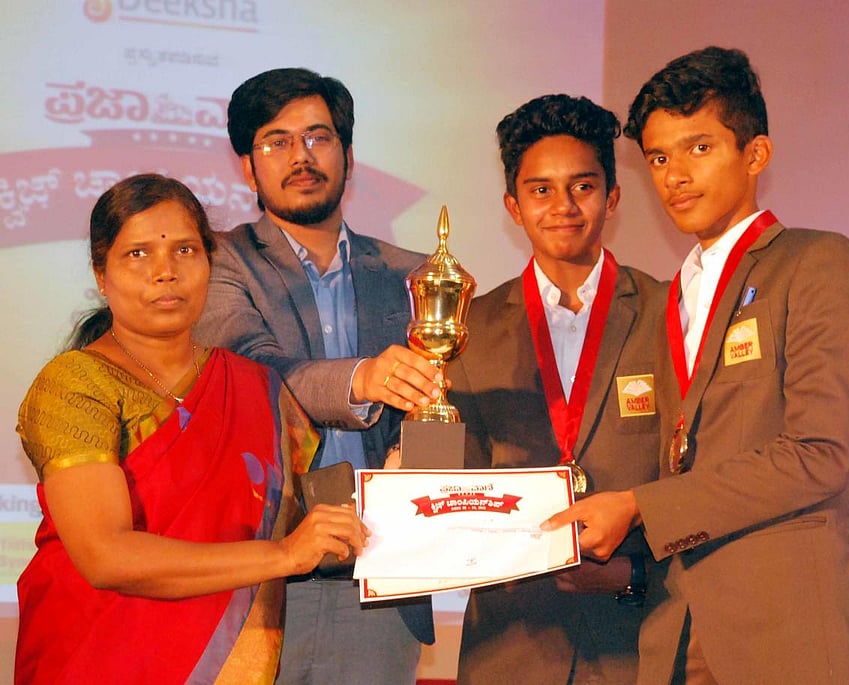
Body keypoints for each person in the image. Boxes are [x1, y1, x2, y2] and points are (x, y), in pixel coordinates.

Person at [543, 47, 849, 684]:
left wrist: (640, 506)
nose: (675, 176)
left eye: (699, 148)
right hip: (675, 628)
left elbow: (818, 452)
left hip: (787, 623)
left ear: (755, 154)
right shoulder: (669, 294)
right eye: (660, 158)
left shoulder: (815, 262)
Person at [14, 174, 368, 684]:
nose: (165, 272)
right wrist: (284, 555)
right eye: (138, 254)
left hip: (229, 662)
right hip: (99, 660)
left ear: (209, 262)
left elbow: (293, 518)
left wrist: (394, 495)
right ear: (101, 274)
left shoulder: (257, 387)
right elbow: (105, 556)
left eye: (185, 249)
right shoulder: (75, 384)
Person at [194, 68, 437, 685]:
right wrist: (364, 379)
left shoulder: (420, 276)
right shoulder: (218, 261)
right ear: (247, 167)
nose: (300, 157)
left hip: (384, 580)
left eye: (318, 138)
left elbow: (446, 414)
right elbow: (255, 371)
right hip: (260, 580)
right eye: (276, 141)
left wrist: (422, 446)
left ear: (348, 157)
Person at [446, 94, 666, 684]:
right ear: (513, 207)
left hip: (639, 638)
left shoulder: (671, 313)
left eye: (583, 186)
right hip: (511, 646)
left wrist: (631, 573)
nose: (563, 207)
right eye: (541, 190)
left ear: (613, 197)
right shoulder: (465, 330)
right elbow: (453, 488)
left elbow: (699, 477)